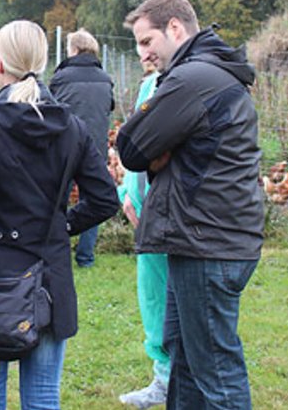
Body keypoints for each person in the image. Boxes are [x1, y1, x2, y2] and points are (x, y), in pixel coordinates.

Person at [0, 20, 119, 408]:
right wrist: (63, 225)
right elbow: (105, 197)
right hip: (48, 273)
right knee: (42, 398)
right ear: (42, 64)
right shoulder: (71, 127)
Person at [117, 0, 264, 409]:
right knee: (186, 364)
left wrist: (159, 152)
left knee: (216, 371)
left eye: (147, 41)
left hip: (209, 245)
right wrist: (158, 152)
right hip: (202, 240)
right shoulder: (210, 74)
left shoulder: (193, 79)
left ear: (176, 28)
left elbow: (129, 145)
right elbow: (144, 148)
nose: (144, 53)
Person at [117, 56, 169, 409]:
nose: (141, 53)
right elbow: (133, 148)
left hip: (172, 218)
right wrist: (126, 194)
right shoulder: (146, 87)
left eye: (148, 41)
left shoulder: (183, 87)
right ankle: (163, 378)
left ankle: (183, 380)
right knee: (152, 298)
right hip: (145, 219)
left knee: (178, 300)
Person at [48, 28, 114, 268]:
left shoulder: (60, 77)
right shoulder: (106, 79)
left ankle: (57, 247)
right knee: (92, 199)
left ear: (73, 50)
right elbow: (109, 107)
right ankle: (86, 257)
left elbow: (50, 109)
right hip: (95, 146)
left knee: (58, 200)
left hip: (63, 147)